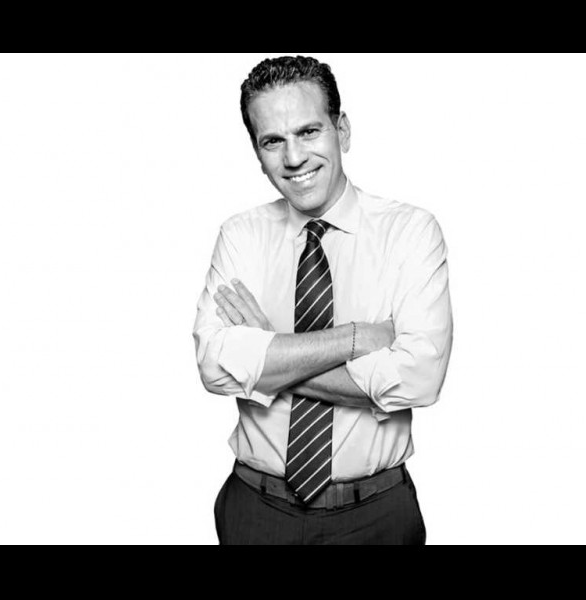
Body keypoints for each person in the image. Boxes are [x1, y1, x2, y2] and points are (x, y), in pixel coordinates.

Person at [192, 55, 453, 545]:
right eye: (273, 140)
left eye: (309, 131)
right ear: (257, 151)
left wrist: (270, 352)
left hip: (375, 515)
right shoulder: (241, 236)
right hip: (256, 511)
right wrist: (354, 339)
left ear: (342, 131)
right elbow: (214, 366)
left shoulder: (410, 233)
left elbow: (420, 378)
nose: (293, 158)